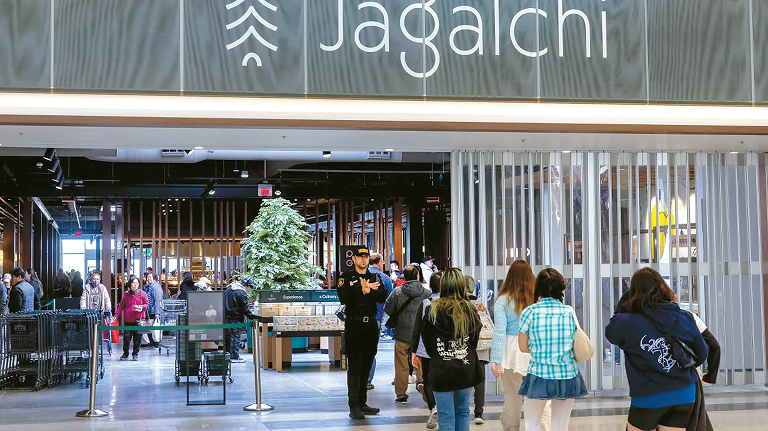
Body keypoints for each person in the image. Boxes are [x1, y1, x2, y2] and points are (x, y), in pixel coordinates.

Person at [606, 268, 708, 431]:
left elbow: (611, 333)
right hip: (684, 394)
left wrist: (626, 300)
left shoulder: (627, 322)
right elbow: (702, 354)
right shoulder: (683, 316)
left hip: (648, 396)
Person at [518, 268, 588, 431]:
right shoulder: (569, 312)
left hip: (539, 375)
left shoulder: (529, 312)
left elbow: (522, 347)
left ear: (538, 288)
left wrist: (540, 349)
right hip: (567, 375)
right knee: (560, 426)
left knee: (533, 423)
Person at [419, 268, 483, 431]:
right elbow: (474, 341)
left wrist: (439, 355)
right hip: (466, 368)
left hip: (441, 369)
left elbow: (427, 341)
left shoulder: (432, 310)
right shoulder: (469, 310)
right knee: (462, 412)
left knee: (445, 415)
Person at [491, 260, 551, 431]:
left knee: (512, 400)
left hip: (511, 354)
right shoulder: (537, 299)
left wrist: (495, 359)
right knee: (542, 401)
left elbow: (499, 331)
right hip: (535, 351)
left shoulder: (503, 300)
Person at [337, 246, 388, 420]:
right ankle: (354, 405)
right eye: (360, 257)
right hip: (354, 325)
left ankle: (363, 402)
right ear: (355, 259)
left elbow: (382, 295)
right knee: (355, 367)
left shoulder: (375, 277)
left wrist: (369, 290)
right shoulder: (346, 277)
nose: (364, 260)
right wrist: (362, 288)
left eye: (366, 256)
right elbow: (345, 298)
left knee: (366, 365)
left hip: (370, 326)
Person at [385, 264, 432, 404]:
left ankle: (401, 393)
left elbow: (388, 309)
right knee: (421, 361)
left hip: (401, 333)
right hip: (421, 335)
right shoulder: (426, 293)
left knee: (401, 363)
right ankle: (422, 383)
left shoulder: (397, 292)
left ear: (404, 276)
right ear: (418, 276)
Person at [411, 271, 442, 429]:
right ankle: (443, 408)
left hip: (426, 349)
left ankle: (433, 408)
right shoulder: (451, 303)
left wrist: (413, 351)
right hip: (444, 349)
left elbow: (416, 329)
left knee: (428, 380)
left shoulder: (425, 303)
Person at [367, 252, 394, 390]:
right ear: (379, 262)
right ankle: (368, 381)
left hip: (358, 318)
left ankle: (357, 378)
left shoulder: (361, 276)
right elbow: (390, 300)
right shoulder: (385, 278)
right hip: (376, 317)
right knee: (371, 350)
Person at [465, 275, 490, 424]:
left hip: (465, 347)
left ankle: (462, 410)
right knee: (480, 380)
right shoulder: (480, 304)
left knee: (463, 379)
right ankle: (479, 413)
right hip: (481, 346)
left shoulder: (458, 304)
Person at [114, 275, 149, 361]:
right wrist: (115, 316)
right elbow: (121, 306)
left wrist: (142, 307)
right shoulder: (126, 294)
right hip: (128, 320)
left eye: (137, 283)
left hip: (139, 321)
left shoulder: (142, 294)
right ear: (130, 284)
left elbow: (147, 304)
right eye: (133, 283)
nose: (135, 285)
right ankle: (125, 354)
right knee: (126, 339)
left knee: (137, 339)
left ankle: (135, 354)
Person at [224, 277, 257, 363]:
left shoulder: (228, 290)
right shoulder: (241, 293)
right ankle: (234, 356)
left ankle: (228, 355)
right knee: (235, 337)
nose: (249, 289)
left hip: (226, 318)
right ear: (247, 286)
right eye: (250, 287)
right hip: (236, 318)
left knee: (228, 337)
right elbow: (244, 309)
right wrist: (253, 317)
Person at [143, 272, 164, 348]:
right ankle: (152, 342)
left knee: (151, 327)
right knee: (149, 326)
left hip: (154, 311)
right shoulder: (150, 286)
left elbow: (157, 300)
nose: (148, 279)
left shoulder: (155, 287)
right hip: (150, 310)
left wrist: (157, 313)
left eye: (150, 277)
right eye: (147, 277)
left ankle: (154, 342)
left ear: (154, 278)